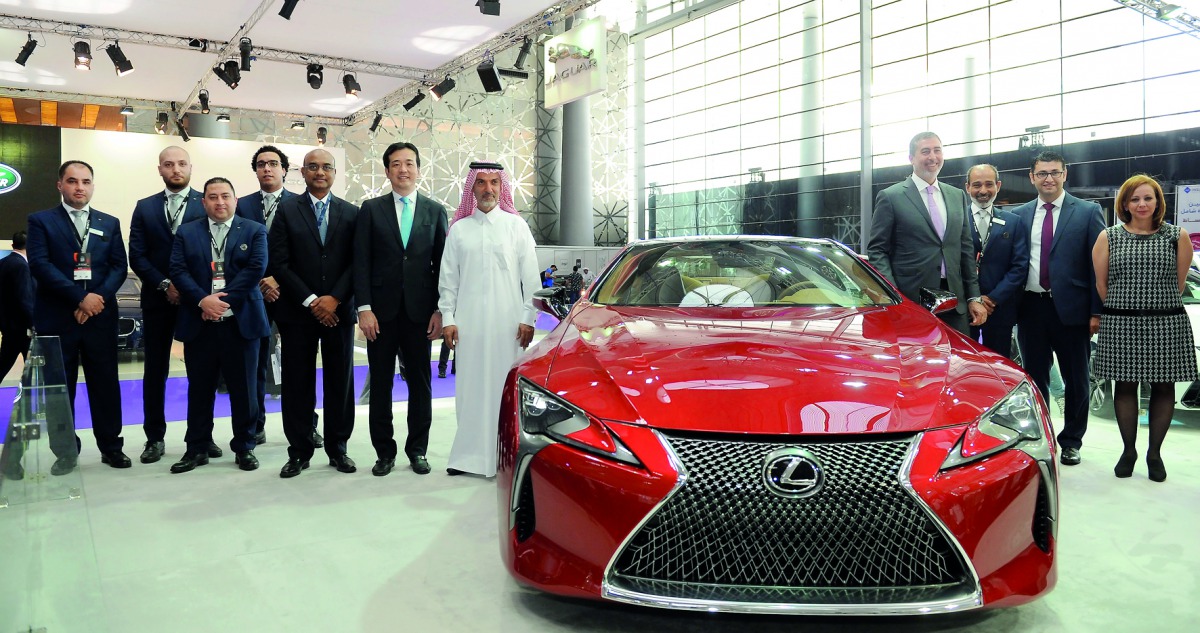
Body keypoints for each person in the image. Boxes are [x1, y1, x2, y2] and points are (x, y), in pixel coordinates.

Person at [27, 160, 130, 474]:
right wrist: (79, 298)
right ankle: (65, 452)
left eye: (85, 181)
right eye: (72, 181)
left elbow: (117, 267)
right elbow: (41, 266)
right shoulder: (41, 221)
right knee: (59, 389)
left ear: (93, 185)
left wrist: (95, 299)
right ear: (60, 185)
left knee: (106, 385)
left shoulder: (109, 223)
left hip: (99, 317)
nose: (79, 187)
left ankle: (111, 447)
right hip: (58, 318)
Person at [439, 161, 541, 477]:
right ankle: (467, 457)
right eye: (481, 183)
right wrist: (447, 317)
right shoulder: (459, 229)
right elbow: (448, 279)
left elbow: (532, 280)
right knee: (469, 389)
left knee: (504, 388)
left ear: (502, 187)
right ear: (472, 189)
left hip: (508, 325)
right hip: (469, 326)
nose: (488, 189)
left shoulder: (516, 227)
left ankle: (506, 458)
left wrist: (529, 317)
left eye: (494, 183)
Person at [1092, 174, 1195, 482]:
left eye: (1148, 198)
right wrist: (1125, 306)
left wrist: (1154, 304)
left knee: (1164, 388)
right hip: (1121, 321)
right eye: (1134, 199)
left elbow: (1177, 284)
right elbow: (1102, 284)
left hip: (1165, 320)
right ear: (1124, 203)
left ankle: (1154, 453)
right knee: (1124, 387)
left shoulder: (1177, 236)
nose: (1141, 204)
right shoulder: (1108, 236)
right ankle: (1128, 451)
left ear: (1158, 202)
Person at [354, 142, 448, 477]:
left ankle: (417, 450)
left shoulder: (435, 211)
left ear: (418, 169)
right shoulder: (371, 209)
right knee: (380, 383)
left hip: (421, 314)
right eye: (396, 164)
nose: (403, 169)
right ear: (387, 170)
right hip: (379, 313)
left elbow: (443, 267)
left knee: (420, 384)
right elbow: (361, 262)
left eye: (409, 163)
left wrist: (440, 310)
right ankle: (384, 452)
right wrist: (363, 308)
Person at [167, 177, 269, 473]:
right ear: (204, 201)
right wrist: (202, 301)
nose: (220, 202)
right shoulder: (187, 232)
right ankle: (196, 447)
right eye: (213, 197)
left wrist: (221, 302)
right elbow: (178, 269)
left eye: (226, 196)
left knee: (245, 390)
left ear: (235, 200)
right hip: (200, 323)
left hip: (241, 322)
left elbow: (255, 269)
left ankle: (245, 446)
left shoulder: (254, 230)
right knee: (200, 389)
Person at [271, 149, 359, 477]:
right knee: (296, 383)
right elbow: (279, 262)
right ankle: (299, 451)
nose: (319, 172)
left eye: (326, 167)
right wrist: (311, 300)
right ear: (303, 173)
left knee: (341, 381)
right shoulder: (286, 211)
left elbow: (357, 262)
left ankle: (338, 449)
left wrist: (334, 298)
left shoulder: (352, 213)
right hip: (297, 312)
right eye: (313, 167)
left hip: (338, 312)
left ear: (334, 173)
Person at [1013, 150, 1105, 467]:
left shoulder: (1088, 212)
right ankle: (1043, 439)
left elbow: (1099, 266)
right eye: (1042, 173)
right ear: (1032, 177)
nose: (1049, 178)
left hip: (1073, 311)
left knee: (1076, 379)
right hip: (1030, 309)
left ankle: (1071, 441)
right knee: (1035, 380)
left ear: (1065, 174)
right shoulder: (1020, 215)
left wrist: (1097, 311)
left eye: (1054, 172)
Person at [235, 145, 322, 448]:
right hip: (255, 295)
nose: (267, 169)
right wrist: (261, 279)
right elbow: (234, 250)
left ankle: (307, 425)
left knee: (300, 366)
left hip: (292, 295)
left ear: (285, 169)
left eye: (273, 164)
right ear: (255, 170)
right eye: (261, 164)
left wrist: (280, 279)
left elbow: (309, 253)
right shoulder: (241, 205)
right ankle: (254, 426)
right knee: (255, 364)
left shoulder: (302, 204)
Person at [128, 146, 208, 464]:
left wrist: (187, 289)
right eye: (169, 164)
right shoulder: (144, 207)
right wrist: (164, 284)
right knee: (155, 370)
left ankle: (201, 437)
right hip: (157, 300)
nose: (176, 169)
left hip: (196, 300)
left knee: (201, 371)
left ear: (191, 167)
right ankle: (154, 438)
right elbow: (137, 254)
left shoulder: (206, 203)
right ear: (159, 169)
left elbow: (212, 252)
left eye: (182, 164)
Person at [867, 132, 987, 335]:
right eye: (925, 151)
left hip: (954, 303)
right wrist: (893, 295)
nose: (933, 157)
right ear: (911, 158)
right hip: (912, 302)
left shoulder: (957, 196)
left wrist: (973, 298)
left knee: (957, 363)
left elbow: (965, 250)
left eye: (937, 150)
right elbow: (877, 251)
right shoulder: (891, 197)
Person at [965, 164, 1029, 358]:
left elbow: (1020, 266)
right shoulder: (955, 220)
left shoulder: (1013, 221)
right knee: (966, 364)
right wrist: (973, 298)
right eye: (976, 185)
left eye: (988, 184)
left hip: (999, 309)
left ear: (998, 186)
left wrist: (992, 298)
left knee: (1000, 364)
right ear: (967, 187)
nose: (983, 191)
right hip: (965, 308)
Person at [0, 231, 34, 380]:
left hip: (8, 326)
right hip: (21, 328)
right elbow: (24, 298)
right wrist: (34, 323)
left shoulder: (4, 262)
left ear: (13, 245)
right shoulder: (22, 266)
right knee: (36, 369)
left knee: (4, 363)